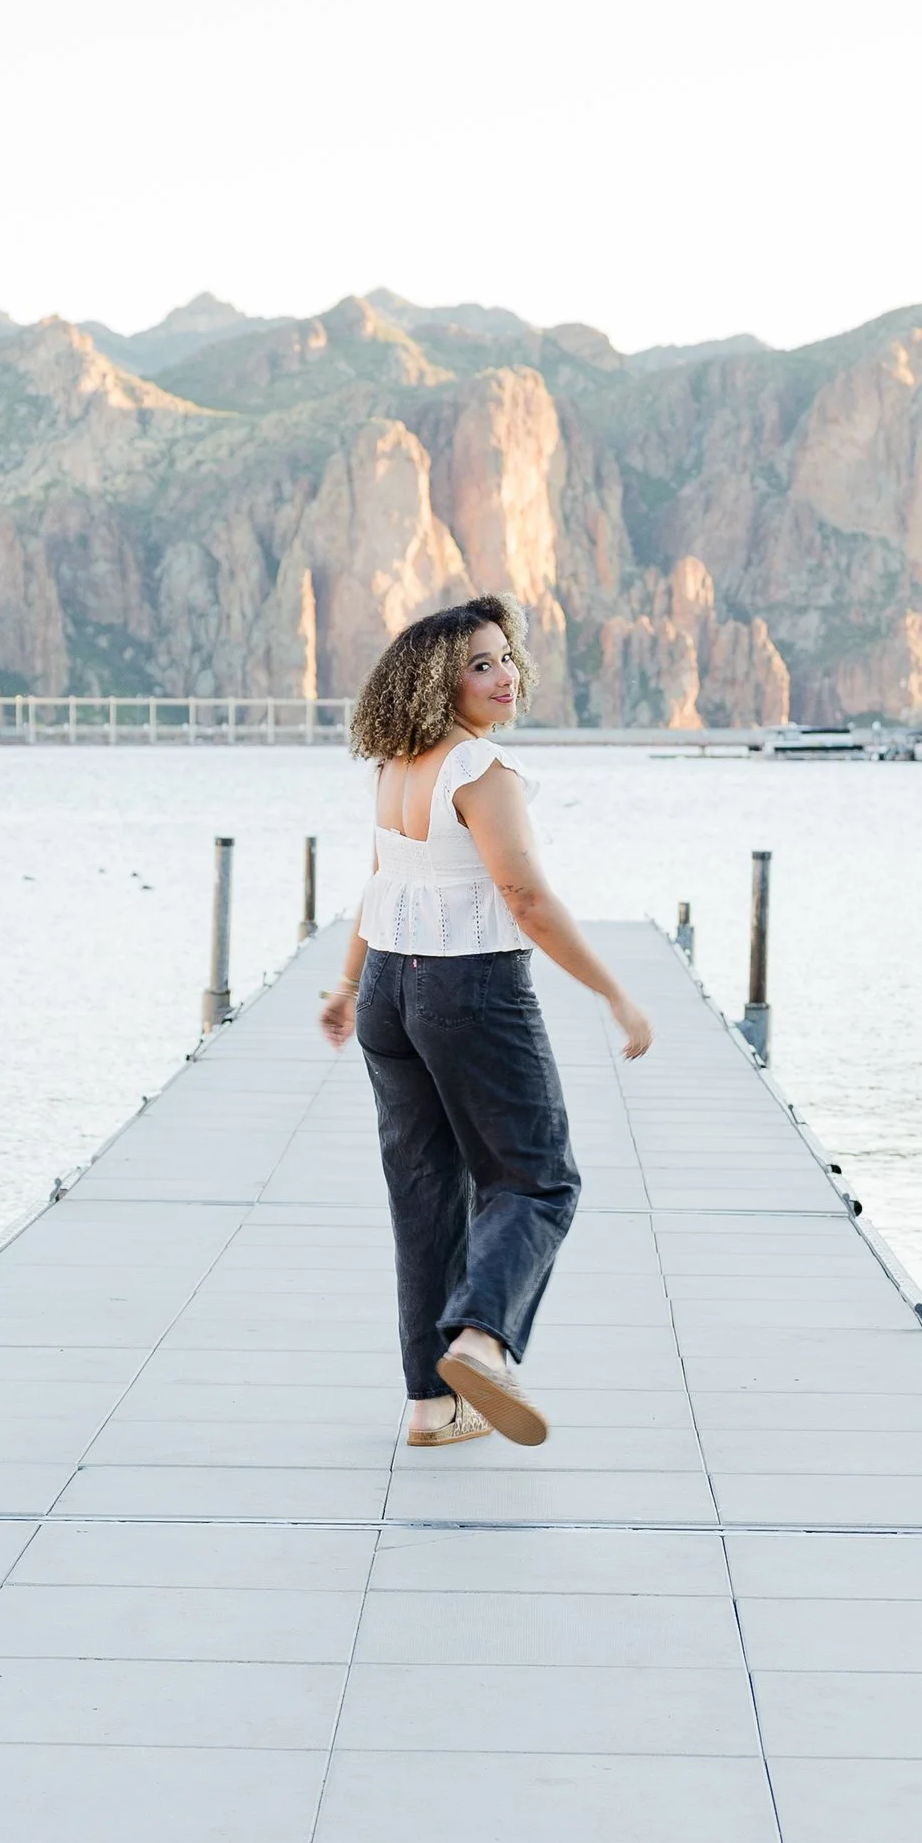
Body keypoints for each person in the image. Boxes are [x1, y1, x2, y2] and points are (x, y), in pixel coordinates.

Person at [318, 596, 652, 1448]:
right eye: (479, 664)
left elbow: (379, 878)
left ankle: (432, 1408)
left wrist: (350, 983)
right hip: (468, 990)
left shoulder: (394, 765)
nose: (504, 676)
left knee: (426, 1193)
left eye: (505, 658)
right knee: (538, 1180)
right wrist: (614, 991)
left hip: (393, 989)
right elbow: (526, 898)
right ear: (438, 681)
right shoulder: (479, 770)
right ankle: (482, 1341)